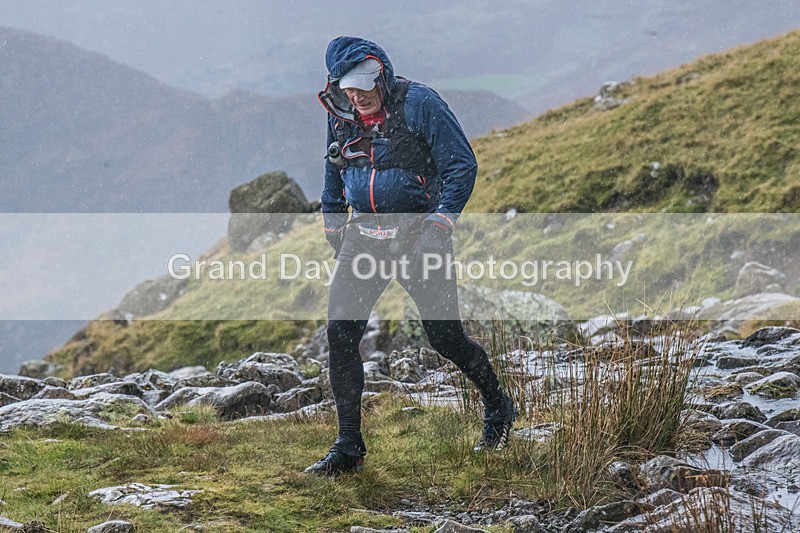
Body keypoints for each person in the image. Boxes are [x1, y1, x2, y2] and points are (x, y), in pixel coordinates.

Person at [305, 36, 515, 476]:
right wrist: (332, 218)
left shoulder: (421, 103)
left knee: (445, 337)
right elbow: (332, 165)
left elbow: (462, 165)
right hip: (364, 237)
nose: (357, 97)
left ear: (381, 75)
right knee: (341, 334)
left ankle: (499, 406)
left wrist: (440, 225)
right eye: (349, 89)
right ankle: (348, 447)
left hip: (420, 237)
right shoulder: (340, 111)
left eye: (364, 86)